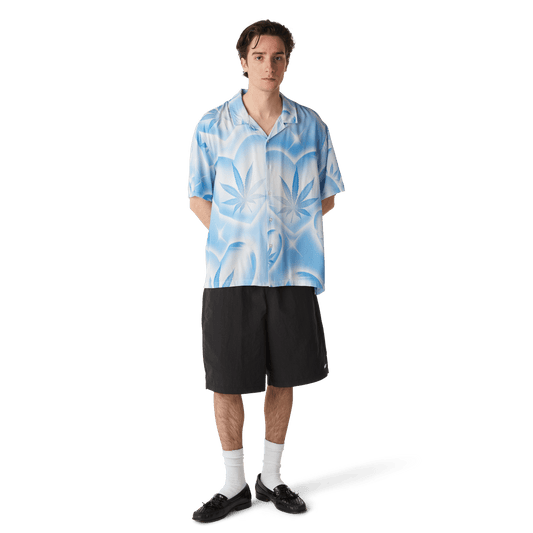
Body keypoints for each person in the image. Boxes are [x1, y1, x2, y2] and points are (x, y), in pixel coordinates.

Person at [187, 18, 346, 523]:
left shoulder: (311, 126)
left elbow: (327, 194)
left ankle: (272, 478)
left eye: (278, 57)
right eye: (259, 56)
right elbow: (198, 197)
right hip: (230, 273)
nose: (269, 66)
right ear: (243, 61)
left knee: (286, 375)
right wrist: (241, 235)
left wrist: (288, 230)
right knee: (226, 380)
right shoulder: (211, 126)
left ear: (288, 62)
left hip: (293, 274)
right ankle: (234, 484)